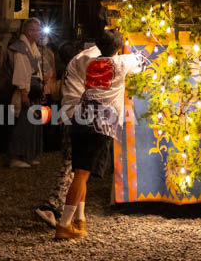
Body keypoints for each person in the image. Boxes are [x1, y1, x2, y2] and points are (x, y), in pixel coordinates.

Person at [56, 30, 143, 241]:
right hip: (100, 126)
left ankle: (80, 219)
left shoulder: (90, 63)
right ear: (119, 48)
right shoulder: (121, 64)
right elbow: (142, 62)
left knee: (80, 173)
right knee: (81, 175)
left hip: (80, 119)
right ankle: (63, 224)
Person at [36, 41, 98, 229]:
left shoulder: (68, 71)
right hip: (76, 120)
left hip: (67, 118)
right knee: (71, 167)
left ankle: (77, 215)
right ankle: (52, 206)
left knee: (74, 167)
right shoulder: (81, 67)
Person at [8, 19, 45, 169]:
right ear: (29, 31)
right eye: (37, 30)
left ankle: (28, 155)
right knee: (23, 123)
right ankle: (16, 156)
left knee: (32, 124)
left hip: (34, 88)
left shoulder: (32, 47)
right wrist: (24, 93)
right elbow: (21, 72)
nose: (39, 33)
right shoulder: (21, 49)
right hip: (26, 90)